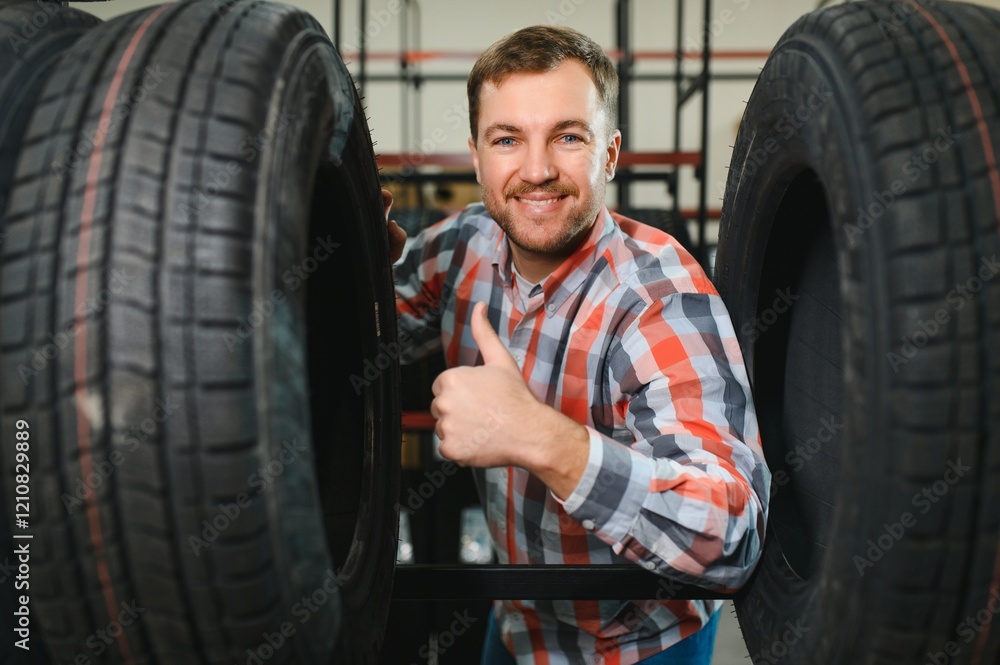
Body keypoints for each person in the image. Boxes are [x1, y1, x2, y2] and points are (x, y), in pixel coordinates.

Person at [384, 24, 769, 665]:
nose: (536, 171)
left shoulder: (659, 298)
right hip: (518, 621)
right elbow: (349, 332)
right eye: (508, 140)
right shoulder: (463, 246)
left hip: (636, 644)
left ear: (610, 155)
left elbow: (731, 537)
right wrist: (333, 243)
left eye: (567, 136)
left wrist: (538, 436)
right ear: (477, 158)